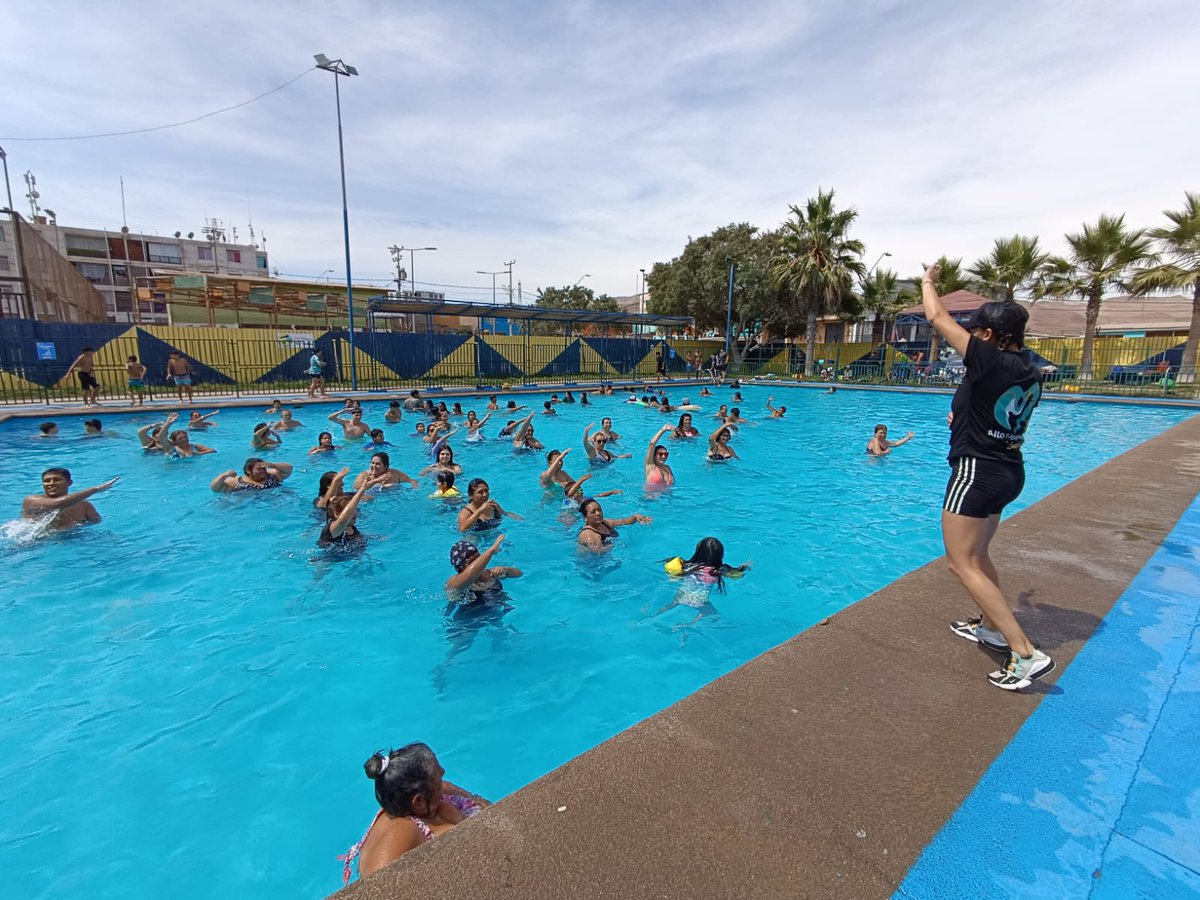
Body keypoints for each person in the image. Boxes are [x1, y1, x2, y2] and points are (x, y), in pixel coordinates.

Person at [921, 262, 1051, 691]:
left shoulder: (989, 358)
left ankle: (1025, 653)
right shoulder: (1028, 369)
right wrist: (961, 419)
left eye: (976, 331)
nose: (971, 337)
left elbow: (936, 316)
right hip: (1009, 469)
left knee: (961, 563)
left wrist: (927, 282)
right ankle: (992, 627)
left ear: (991, 335)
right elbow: (998, 413)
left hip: (977, 472)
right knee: (978, 556)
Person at [338, 743, 490, 884]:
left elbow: (483, 805)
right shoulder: (400, 832)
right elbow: (375, 888)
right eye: (437, 777)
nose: (443, 772)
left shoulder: (435, 792)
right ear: (418, 802)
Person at [656, 537, 750, 623]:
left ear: (698, 552)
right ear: (720, 555)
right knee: (712, 612)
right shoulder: (718, 571)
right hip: (700, 600)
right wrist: (743, 567)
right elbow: (736, 575)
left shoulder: (688, 566)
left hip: (682, 594)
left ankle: (655, 615)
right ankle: (688, 625)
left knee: (670, 606)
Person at [21, 469, 118, 529]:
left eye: (56, 480)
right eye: (46, 481)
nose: (51, 483)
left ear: (69, 483)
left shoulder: (83, 504)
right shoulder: (31, 501)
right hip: (39, 542)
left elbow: (96, 521)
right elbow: (56, 504)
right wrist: (94, 490)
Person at [446, 534, 522, 602]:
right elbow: (469, 574)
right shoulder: (453, 582)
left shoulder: (489, 574)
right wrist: (491, 550)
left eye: (479, 558)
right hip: (470, 613)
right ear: (461, 567)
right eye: (473, 561)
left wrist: (505, 570)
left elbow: (519, 573)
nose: (479, 563)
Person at [319, 476, 381, 552]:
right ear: (336, 514)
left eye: (354, 510)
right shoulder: (332, 529)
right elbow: (343, 519)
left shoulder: (351, 527)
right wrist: (362, 490)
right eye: (350, 512)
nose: (354, 513)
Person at [577, 497, 652, 552]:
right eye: (593, 512)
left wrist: (635, 517)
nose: (598, 513)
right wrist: (615, 544)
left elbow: (623, 521)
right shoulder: (589, 534)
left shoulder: (604, 522)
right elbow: (599, 553)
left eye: (599, 510)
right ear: (585, 517)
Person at [457, 478, 522, 532]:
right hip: (475, 538)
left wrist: (521, 521)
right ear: (470, 495)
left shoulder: (493, 505)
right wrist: (480, 510)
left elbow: (505, 513)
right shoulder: (466, 512)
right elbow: (462, 529)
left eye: (486, 490)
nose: (485, 494)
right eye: (480, 492)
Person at [210, 458, 294, 492]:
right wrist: (224, 475)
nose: (263, 471)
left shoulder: (272, 475)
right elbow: (215, 488)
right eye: (259, 469)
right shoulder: (237, 481)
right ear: (248, 471)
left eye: (263, 468)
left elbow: (289, 469)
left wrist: (274, 465)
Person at [354, 452, 419, 489]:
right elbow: (357, 487)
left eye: (377, 464)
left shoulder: (394, 473)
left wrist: (415, 488)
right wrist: (375, 481)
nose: (373, 466)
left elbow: (412, 481)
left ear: (385, 466)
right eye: (372, 463)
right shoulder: (365, 475)